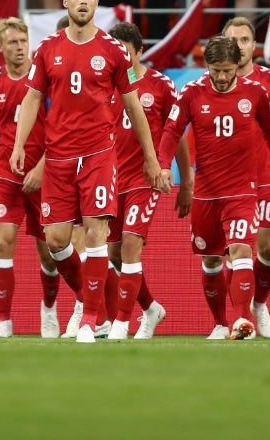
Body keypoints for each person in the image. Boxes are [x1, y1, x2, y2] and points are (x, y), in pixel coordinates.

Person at [11, 0, 168, 343]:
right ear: (65, 2)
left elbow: (133, 104)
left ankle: (89, 319)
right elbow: (33, 98)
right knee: (55, 241)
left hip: (99, 154)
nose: (83, 1)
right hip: (59, 159)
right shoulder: (48, 48)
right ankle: (90, 299)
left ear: (97, 4)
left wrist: (151, 158)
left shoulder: (113, 50)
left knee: (97, 233)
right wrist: (20, 145)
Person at [156, 36, 270, 341]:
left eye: (227, 70)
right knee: (211, 261)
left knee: (243, 250)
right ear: (207, 66)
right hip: (205, 191)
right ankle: (220, 323)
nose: (221, 77)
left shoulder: (256, 93)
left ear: (238, 66)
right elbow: (172, 129)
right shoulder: (192, 92)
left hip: (243, 190)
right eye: (216, 70)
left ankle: (242, 320)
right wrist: (164, 164)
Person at [0, 17, 63, 339]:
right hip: (5, 175)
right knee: (1, 243)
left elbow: (61, 128)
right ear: (0, 48)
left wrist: (41, 168)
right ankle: (4, 322)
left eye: (23, 41)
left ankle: (49, 310)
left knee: (49, 252)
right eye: (12, 42)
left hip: (44, 175)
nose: (20, 47)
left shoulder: (46, 82)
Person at [106, 22, 190, 341]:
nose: (122, 60)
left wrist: (186, 182)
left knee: (129, 246)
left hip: (145, 177)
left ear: (140, 51)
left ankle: (121, 323)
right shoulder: (104, 85)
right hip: (111, 179)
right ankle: (151, 308)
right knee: (114, 253)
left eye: (127, 53)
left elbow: (176, 133)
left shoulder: (161, 85)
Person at [221, 17, 270, 338]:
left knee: (266, 248)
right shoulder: (214, 80)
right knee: (234, 249)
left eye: (244, 40)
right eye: (232, 40)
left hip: (265, 173)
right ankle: (240, 317)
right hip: (226, 176)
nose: (238, 46)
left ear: (254, 46)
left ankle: (260, 304)